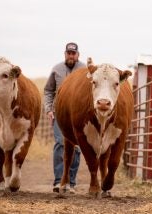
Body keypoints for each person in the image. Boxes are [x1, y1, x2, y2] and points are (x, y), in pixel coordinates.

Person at [44, 42, 86, 193]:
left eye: (73, 53)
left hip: (79, 116)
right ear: (65, 54)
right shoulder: (57, 69)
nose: (71, 55)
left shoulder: (85, 70)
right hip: (60, 114)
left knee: (77, 147)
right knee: (60, 143)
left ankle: (71, 182)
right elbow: (48, 90)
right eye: (69, 53)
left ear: (78, 55)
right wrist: (49, 109)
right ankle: (58, 181)